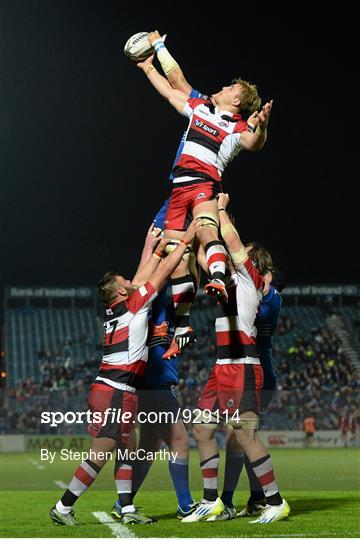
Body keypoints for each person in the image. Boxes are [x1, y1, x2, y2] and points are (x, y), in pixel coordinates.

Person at [50, 218, 201, 526]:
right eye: (126, 281)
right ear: (121, 289)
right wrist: (185, 240)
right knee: (100, 454)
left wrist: (150, 247)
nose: (132, 281)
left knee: (128, 450)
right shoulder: (134, 305)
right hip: (114, 391)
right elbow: (156, 276)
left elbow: (142, 275)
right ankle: (63, 507)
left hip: (121, 390)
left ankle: (127, 508)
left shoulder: (119, 307)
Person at [135, 31, 273, 358]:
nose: (223, 87)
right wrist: (150, 63)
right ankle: (182, 327)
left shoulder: (236, 126)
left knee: (205, 230)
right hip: (179, 187)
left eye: (230, 88)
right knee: (176, 253)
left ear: (236, 101)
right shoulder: (201, 107)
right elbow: (174, 86)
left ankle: (218, 277)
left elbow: (254, 143)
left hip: (204, 183)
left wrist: (262, 126)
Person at [181, 193, 290, 524]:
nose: (237, 252)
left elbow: (231, 240)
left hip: (242, 365)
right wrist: (199, 226)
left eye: (245, 252)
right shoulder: (227, 277)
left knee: (244, 434)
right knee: (201, 428)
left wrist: (222, 210)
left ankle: (275, 502)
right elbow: (204, 253)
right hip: (222, 366)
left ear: (256, 262)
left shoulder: (250, 278)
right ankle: (212, 501)